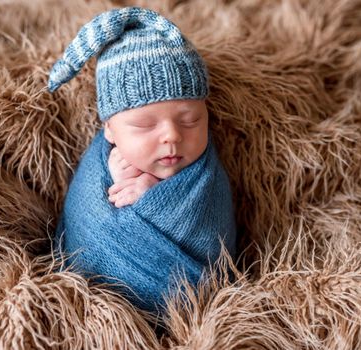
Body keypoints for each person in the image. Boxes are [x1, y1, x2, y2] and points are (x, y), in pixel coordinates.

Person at [48, 6, 237, 326]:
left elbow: (210, 234)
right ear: (109, 128)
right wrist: (114, 178)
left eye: (190, 120)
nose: (172, 136)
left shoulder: (205, 175)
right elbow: (85, 218)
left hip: (184, 313)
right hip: (95, 311)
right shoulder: (102, 160)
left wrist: (155, 199)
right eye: (145, 125)